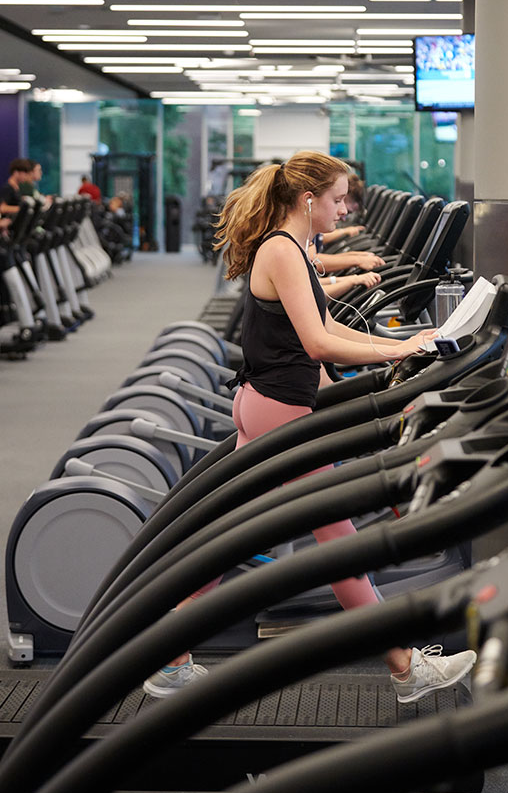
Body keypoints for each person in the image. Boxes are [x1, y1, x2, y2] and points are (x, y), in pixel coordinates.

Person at [143, 151, 476, 699]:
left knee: (232, 538)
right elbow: (320, 343)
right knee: (338, 543)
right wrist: (399, 347)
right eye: (339, 198)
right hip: (281, 409)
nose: (345, 209)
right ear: (308, 200)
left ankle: (168, 655)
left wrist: (402, 348)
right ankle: (403, 666)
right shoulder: (283, 249)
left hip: (265, 401)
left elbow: (321, 330)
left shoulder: (290, 247)